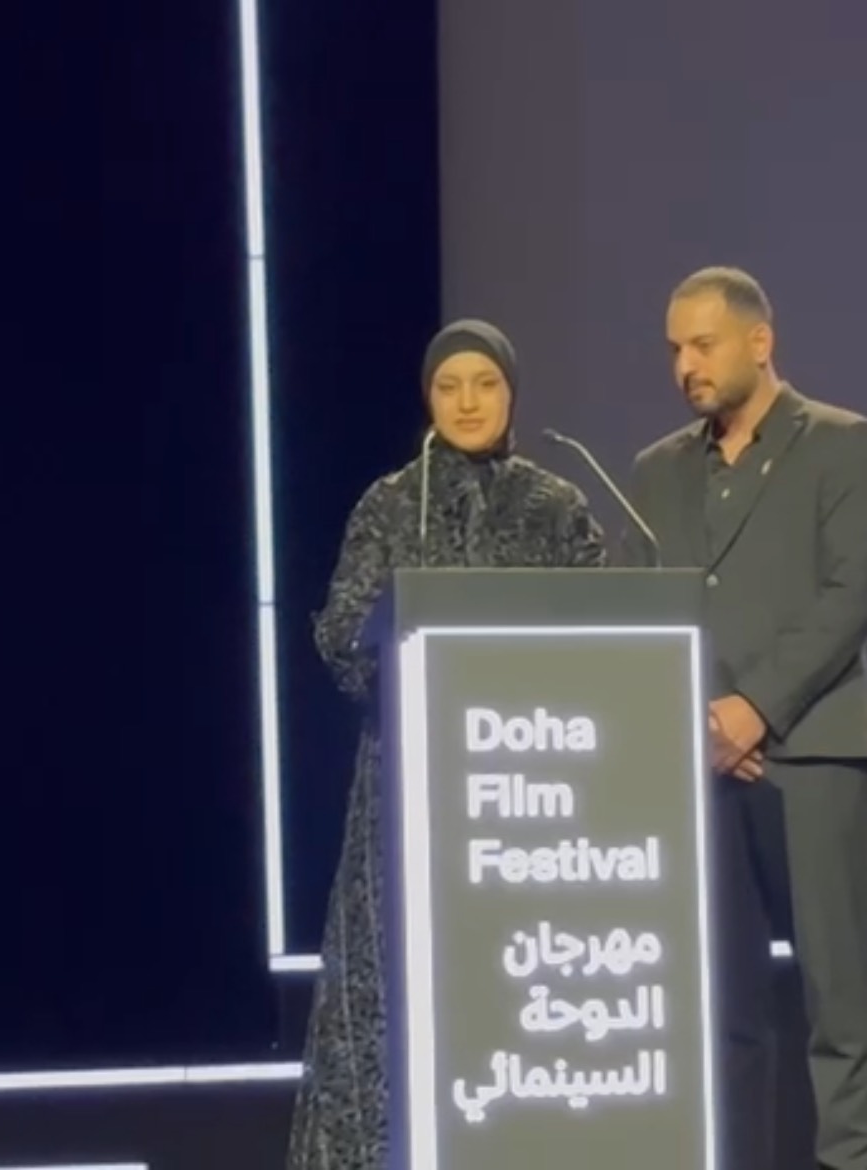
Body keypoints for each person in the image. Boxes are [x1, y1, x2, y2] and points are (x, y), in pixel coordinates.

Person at [286, 320, 609, 1170]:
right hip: (408, 785)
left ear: (512, 394)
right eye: (448, 386)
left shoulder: (556, 505)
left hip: (532, 786)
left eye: (485, 384)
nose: (467, 402)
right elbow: (342, 634)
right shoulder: (391, 503)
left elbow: (605, 635)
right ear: (428, 398)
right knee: (396, 983)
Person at [622, 267, 867, 1170]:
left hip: (812, 755)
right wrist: (695, 721)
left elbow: (852, 591)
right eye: (675, 349)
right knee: (723, 1010)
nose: (685, 366)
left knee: (838, 1002)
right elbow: (637, 614)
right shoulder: (658, 472)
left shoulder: (842, 444)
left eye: (702, 345)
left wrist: (755, 709)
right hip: (701, 771)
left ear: (759, 341)